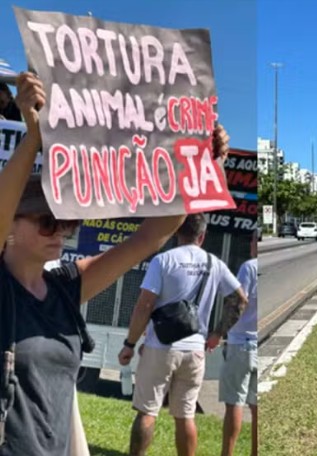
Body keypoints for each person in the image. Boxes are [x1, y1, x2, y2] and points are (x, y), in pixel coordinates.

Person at [0, 72, 222, 456]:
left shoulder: (66, 288)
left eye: (67, 223)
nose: (61, 233)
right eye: (47, 222)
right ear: (11, 228)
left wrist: (198, 162)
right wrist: (35, 137)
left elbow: (151, 236)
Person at [118, 213, 248, 456]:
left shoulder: (163, 261)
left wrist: (130, 344)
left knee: (147, 412)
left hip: (161, 346)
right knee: (186, 415)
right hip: (195, 349)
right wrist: (218, 333)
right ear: (203, 235)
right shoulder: (214, 263)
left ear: (177, 231)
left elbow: (144, 305)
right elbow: (240, 299)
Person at [220, 229, 259, 456]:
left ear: (254, 242)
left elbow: (239, 301)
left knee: (234, 403)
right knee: (256, 408)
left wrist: (221, 330)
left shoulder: (249, 267)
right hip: (258, 342)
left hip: (240, 342)